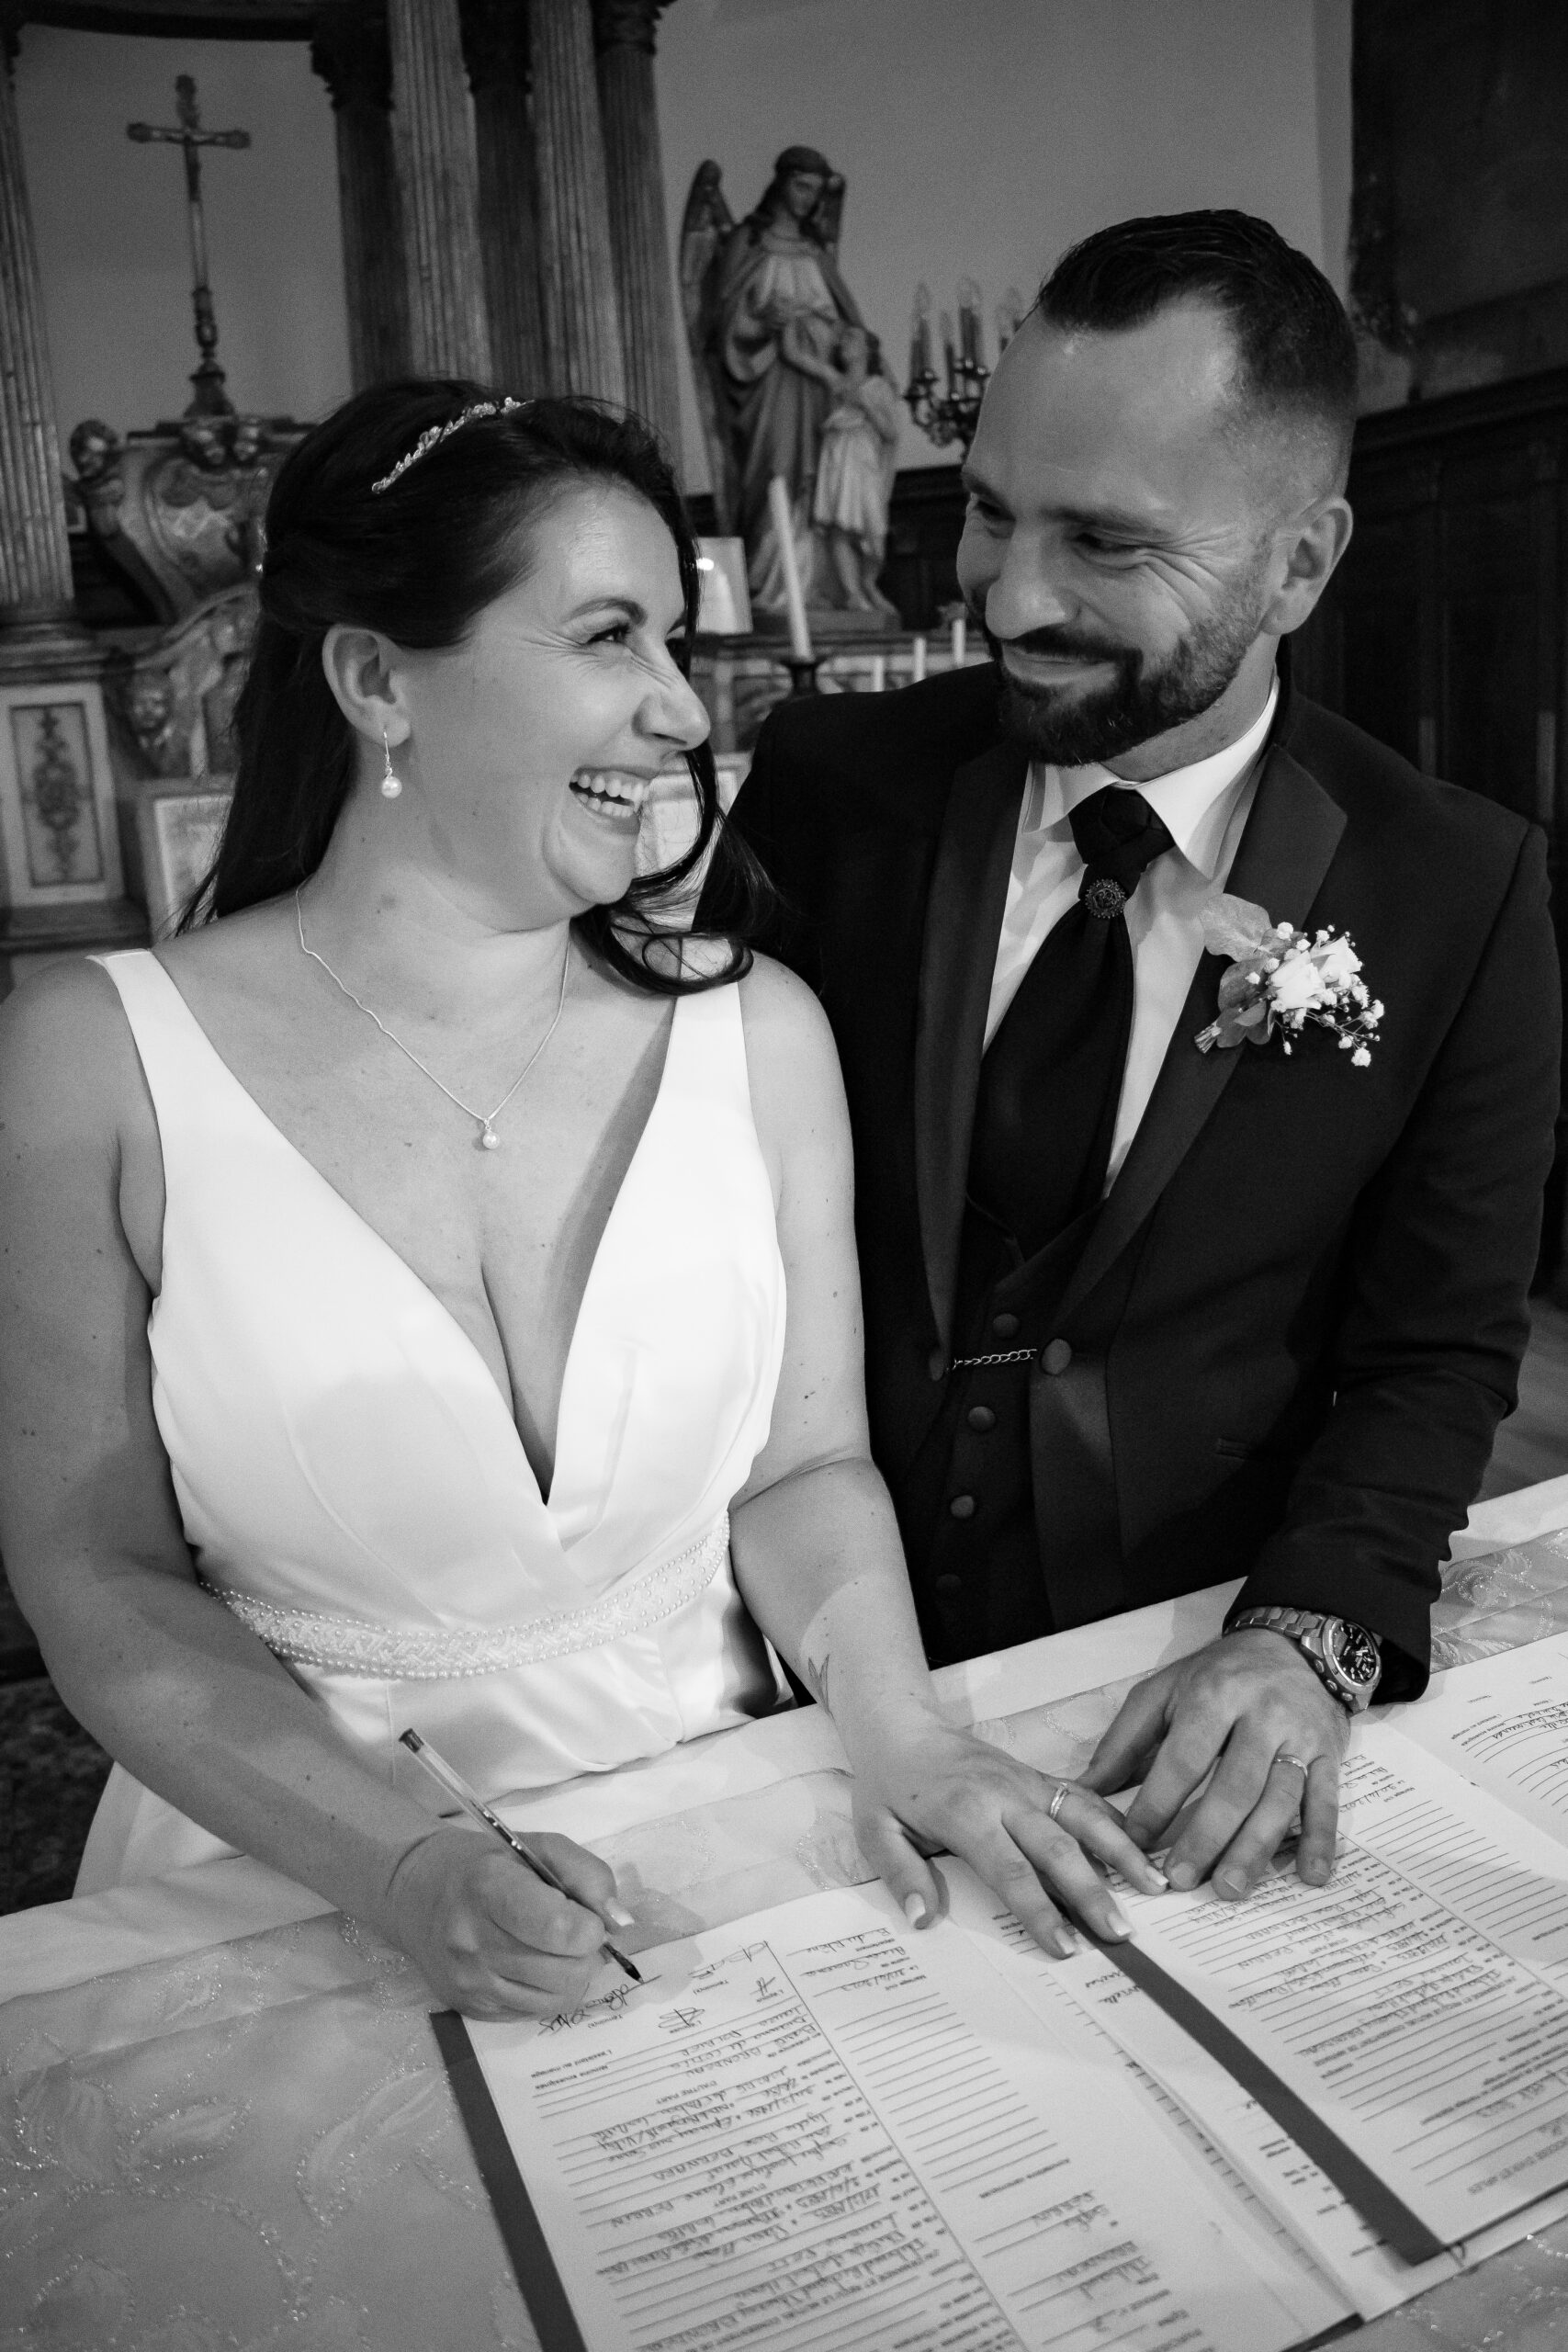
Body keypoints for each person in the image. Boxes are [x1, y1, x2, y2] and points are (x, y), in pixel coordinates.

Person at [0, 382, 1163, 2019]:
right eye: (610, 637)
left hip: (722, 1819)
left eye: (672, 642)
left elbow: (805, 1468)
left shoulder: (757, 1032)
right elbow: (98, 1574)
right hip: (291, 1850)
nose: (682, 712)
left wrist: (904, 1734)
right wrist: (405, 1868)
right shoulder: (91, 1059)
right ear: (377, 682)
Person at [715, 211, 1561, 1909]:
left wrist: (1304, 1634)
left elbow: (1437, 1345)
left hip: (1167, 1660)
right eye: (990, 511)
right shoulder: (830, 786)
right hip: (786, 1666)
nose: (1008, 595)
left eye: (1103, 541)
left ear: (1298, 565)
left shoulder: (1452, 887)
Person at [713, 146, 863, 614]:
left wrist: (838, 341)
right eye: (801, 187)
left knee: (827, 480)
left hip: (822, 386)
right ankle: (773, 587)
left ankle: (823, 587)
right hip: (772, 382)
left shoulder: (816, 249)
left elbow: (849, 323)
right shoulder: (748, 242)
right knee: (777, 471)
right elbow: (722, 327)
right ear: (781, 183)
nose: (807, 199)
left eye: (815, 191)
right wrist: (764, 323)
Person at [812, 325, 902, 619]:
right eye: (843, 338)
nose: (843, 343)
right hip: (837, 458)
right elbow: (798, 357)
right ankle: (853, 594)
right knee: (839, 525)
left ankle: (868, 583)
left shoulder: (878, 386)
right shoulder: (835, 382)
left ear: (867, 349)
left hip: (865, 461)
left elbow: (890, 432)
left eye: (852, 338)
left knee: (874, 531)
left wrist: (865, 405)